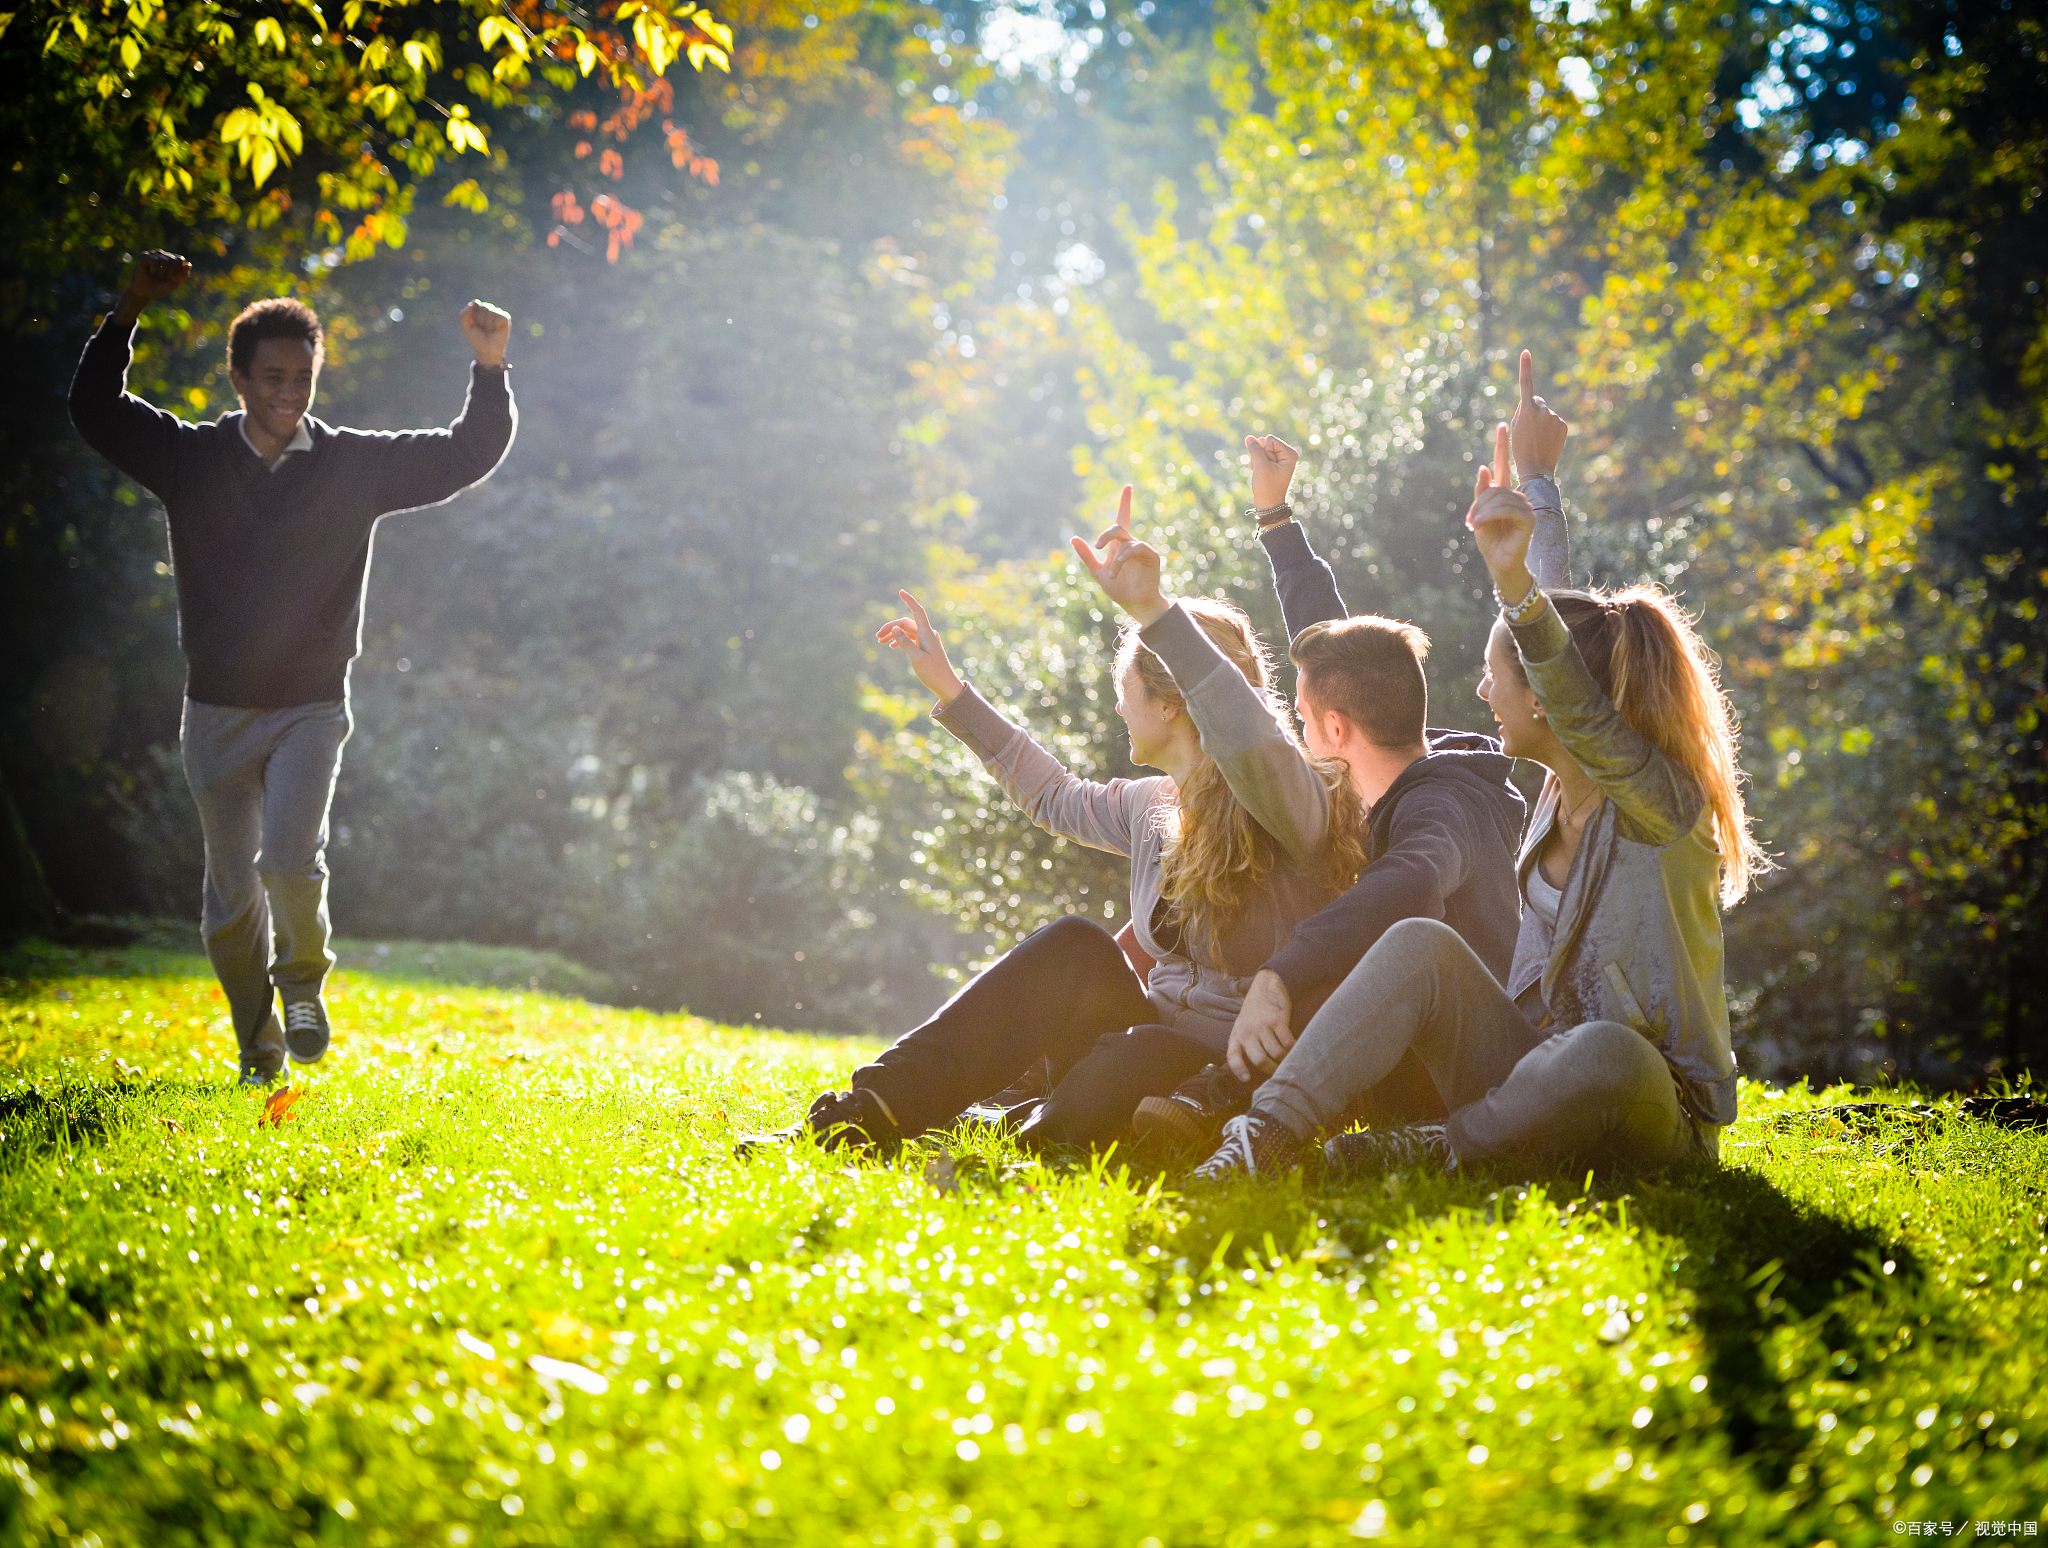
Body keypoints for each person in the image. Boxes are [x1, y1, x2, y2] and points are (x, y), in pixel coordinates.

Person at [1192, 409, 1768, 1183]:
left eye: (1500, 675)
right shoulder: (1555, 791)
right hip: (1524, 1063)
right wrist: (1537, 490)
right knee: (1418, 943)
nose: (1482, 688)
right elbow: (1363, 664)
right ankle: (1260, 1142)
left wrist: (1517, 588)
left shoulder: (1659, 811)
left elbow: (1566, 664)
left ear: (1550, 705)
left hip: (1647, 1109)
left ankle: (1444, 1145)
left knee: (1609, 1051)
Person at [740, 485, 1365, 1156]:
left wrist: (1155, 613)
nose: (1118, 711)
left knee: (1141, 1052)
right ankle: (863, 1116)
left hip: (1215, 1082)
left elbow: (1249, 736)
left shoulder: (1283, 804)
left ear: (1172, 706)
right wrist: (952, 692)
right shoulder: (1153, 806)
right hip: (1138, 1047)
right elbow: (1054, 796)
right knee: (1074, 946)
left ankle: (1025, 1140)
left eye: (1125, 695)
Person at [68, 250, 518, 1085]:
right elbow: (96, 410)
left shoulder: (354, 464)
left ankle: (303, 986)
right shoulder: (191, 460)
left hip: (311, 706)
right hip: (216, 714)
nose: (288, 391)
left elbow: (465, 452)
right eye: (272, 375)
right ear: (239, 377)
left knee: (288, 860)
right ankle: (257, 1043)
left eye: (302, 376)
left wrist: (490, 368)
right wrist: (129, 303)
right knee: (228, 913)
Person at [1130, 352, 1572, 1156]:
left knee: (1360, 929)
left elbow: (1407, 882)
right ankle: (1209, 1095)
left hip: (1473, 1068)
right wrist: (1277, 522)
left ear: (1334, 732)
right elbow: (1334, 657)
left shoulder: (1445, 806)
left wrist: (1280, 974)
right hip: (1424, 1046)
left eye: (1301, 717)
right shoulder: (1410, 768)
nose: (1293, 731)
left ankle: (1229, 1104)